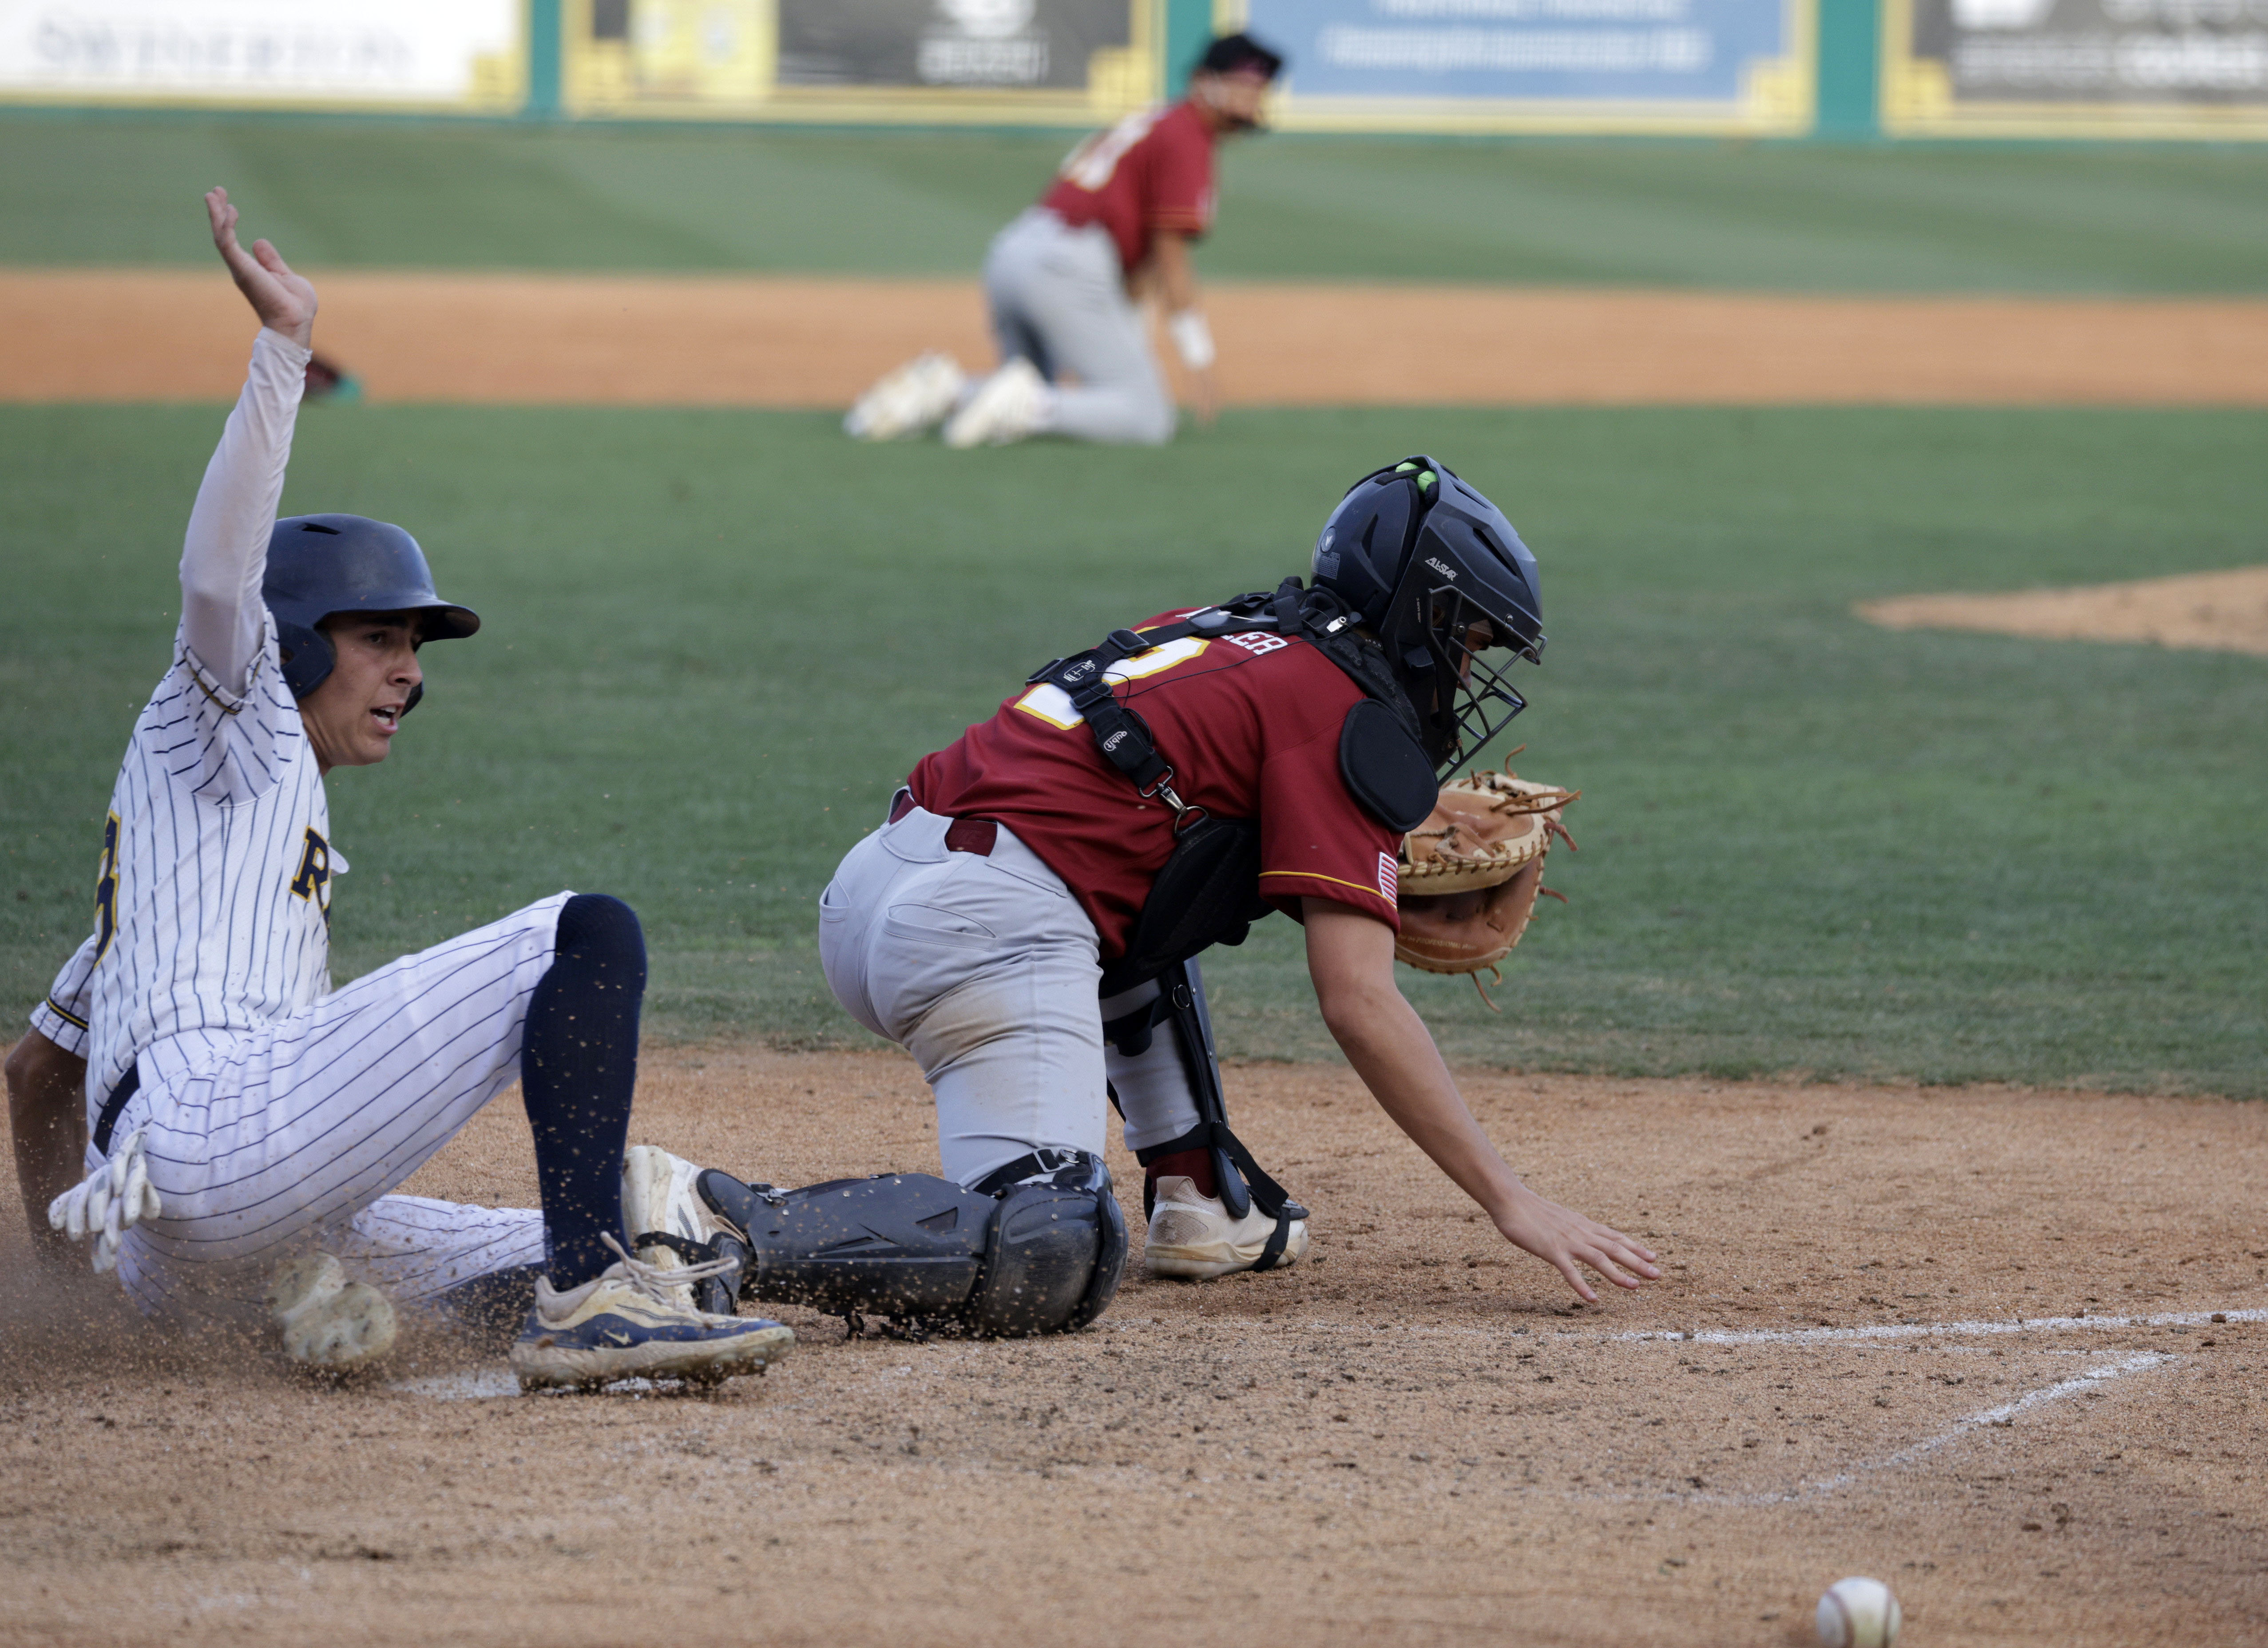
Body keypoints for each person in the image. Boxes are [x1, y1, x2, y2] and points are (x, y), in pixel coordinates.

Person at [5, 189, 792, 1391]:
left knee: (633, 1243)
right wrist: (284, 352)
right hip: (218, 1133)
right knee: (585, 933)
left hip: (192, 1225)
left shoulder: (190, 855)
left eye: (415, 648)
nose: (410, 672)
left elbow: (37, 1074)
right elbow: (219, 579)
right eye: (379, 639)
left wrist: (89, 1300)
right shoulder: (230, 709)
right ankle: (586, 1308)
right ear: (296, 646)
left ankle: (376, 1298)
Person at [650, 457, 1658, 1339]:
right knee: (1049, 1248)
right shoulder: (1344, 715)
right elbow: (1357, 999)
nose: (1466, 666)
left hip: (879, 883)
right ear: (1417, 616)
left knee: (1153, 884)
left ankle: (1199, 1197)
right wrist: (1508, 1199)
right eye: (1467, 638)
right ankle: (711, 1231)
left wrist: (1403, 810)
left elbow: (1192, 787)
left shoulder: (1249, 632)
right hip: (984, 934)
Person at [842, 32, 1285, 450]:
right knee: (1146, 416)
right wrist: (1197, 355)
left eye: (1260, 86)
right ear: (1203, 83)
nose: (1254, 96)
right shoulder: (1186, 136)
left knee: (1044, 387)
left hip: (1015, 252)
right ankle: (1023, 406)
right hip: (1069, 265)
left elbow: (1138, 257)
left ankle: (944, 389)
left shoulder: (1156, 120)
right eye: (1243, 84)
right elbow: (1169, 258)